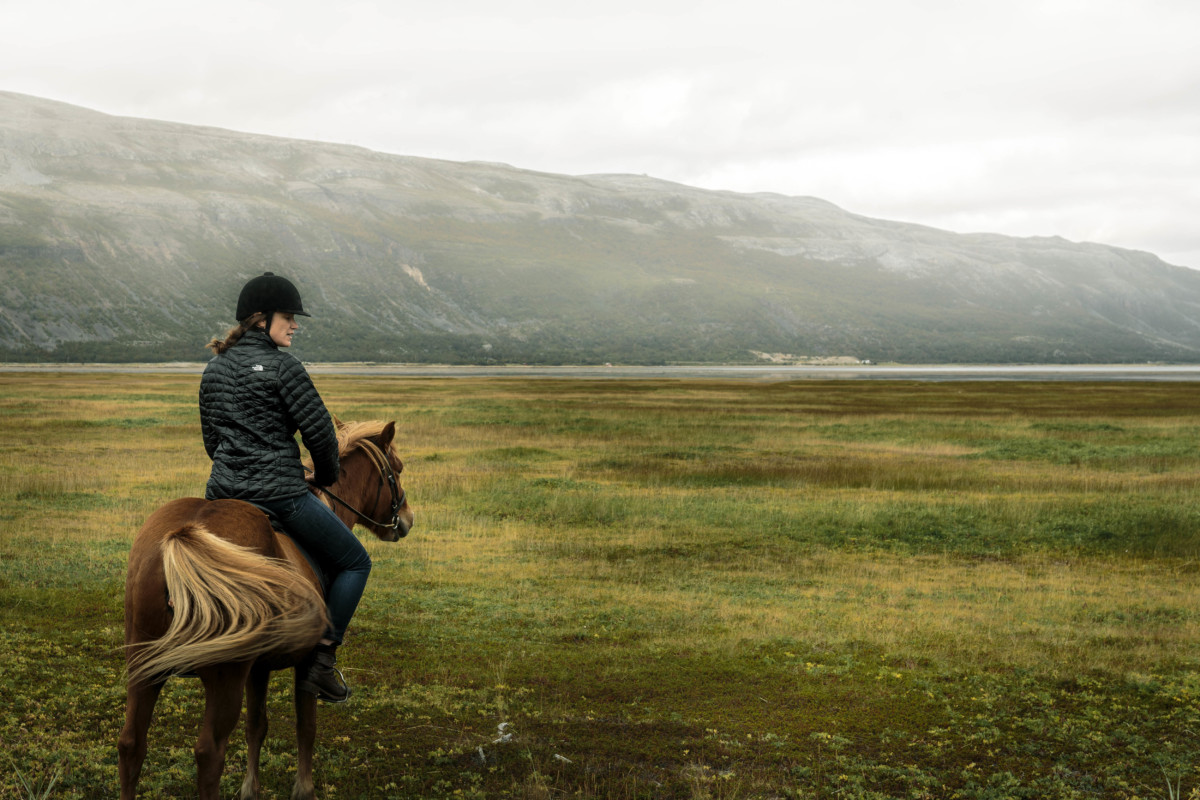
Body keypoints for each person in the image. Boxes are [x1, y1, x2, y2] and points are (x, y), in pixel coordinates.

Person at [198, 271, 370, 703]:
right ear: (261, 319)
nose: (295, 325)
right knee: (355, 561)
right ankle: (323, 661)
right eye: (289, 316)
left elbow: (211, 443)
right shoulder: (283, 367)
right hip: (282, 496)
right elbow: (322, 440)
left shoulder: (214, 368)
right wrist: (325, 478)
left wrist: (237, 469)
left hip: (222, 495)